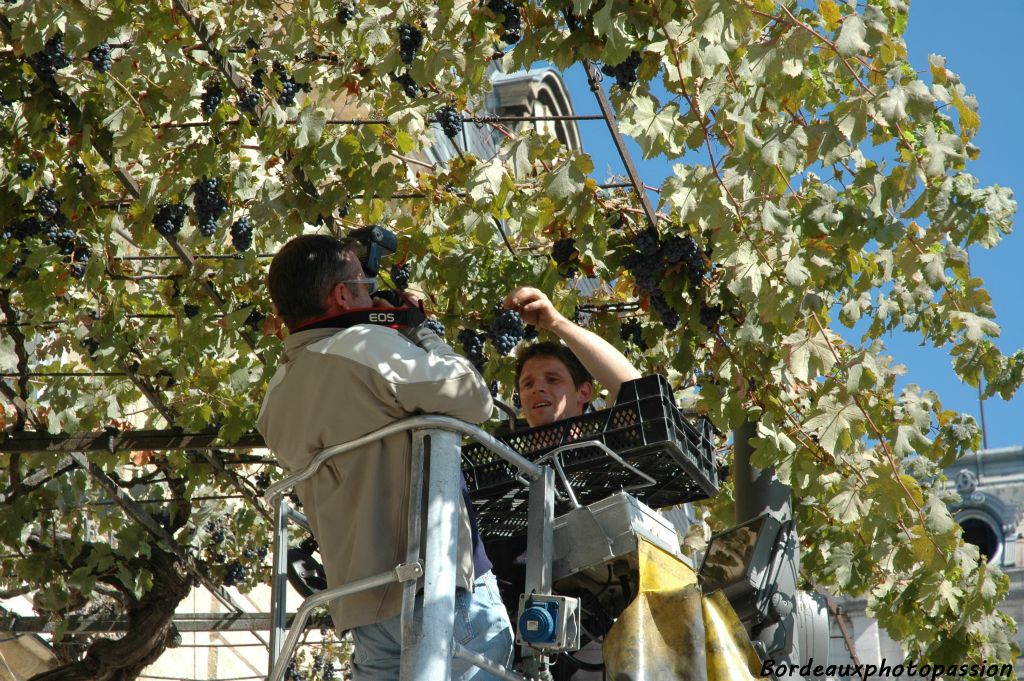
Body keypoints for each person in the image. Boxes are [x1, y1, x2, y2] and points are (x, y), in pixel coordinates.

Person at [257, 234, 513, 680]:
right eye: (363, 283)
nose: (372, 293)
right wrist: (422, 331)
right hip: (437, 591)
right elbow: (474, 398)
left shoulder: (275, 398)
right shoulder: (364, 346)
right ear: (341, 295)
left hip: (363, 610)